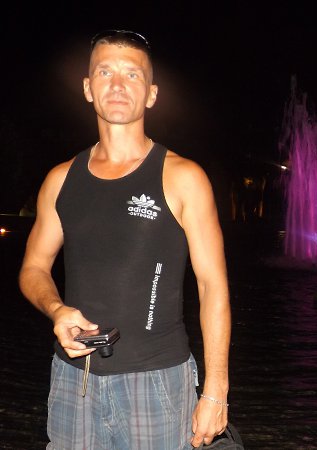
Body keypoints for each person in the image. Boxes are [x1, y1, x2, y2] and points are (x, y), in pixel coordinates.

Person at [18, 30, 231, 449]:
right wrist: (57, 310)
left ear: (151, 94)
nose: (117, 85)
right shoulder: (60, 180)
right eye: (105, 72)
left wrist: (216, 390)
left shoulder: (183, 177)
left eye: (132, 75)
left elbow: (213, 287)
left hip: (157, 382)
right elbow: (33, 268)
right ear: (87, 88)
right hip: (72, 380)